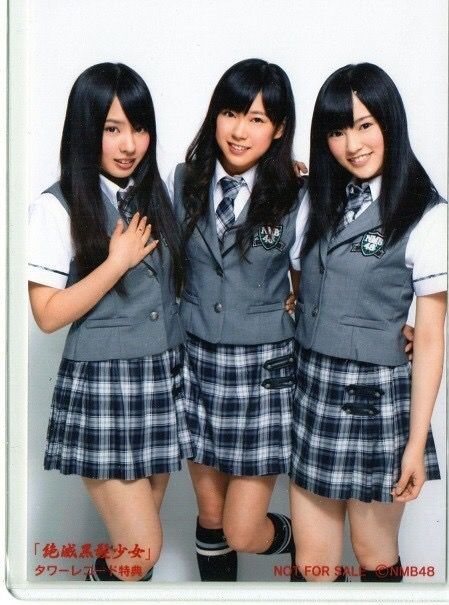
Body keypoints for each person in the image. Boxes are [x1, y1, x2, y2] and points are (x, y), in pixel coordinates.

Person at [28, 62, 192, 582]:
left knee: (135, 559)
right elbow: (47, 315)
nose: (129, 145)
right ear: (85, 130)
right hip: (104, 386)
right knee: (142, 550)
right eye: (111, 129)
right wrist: (115, 263)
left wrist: (290, 173)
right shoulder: (55, 207)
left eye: (139, 128)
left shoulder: (156, 194)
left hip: (162, 377)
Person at [289, 62, 446, 583]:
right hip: (311, 386)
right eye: (337, 131)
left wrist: (415, 444)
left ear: (390, 123)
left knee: (374, 554)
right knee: (313, 565)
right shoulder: (315, 198)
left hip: (375, 399)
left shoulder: (427, 214)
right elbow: (297, 275)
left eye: (364, 125)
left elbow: (430, 338)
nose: (352, 145)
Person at [166, 58, 309, 581]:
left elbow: (315, 280)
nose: (240, 131)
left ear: (279, 129)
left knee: (242, 528)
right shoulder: (183, 180)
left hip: (265, 373)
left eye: (257, 118)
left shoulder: (299, 194)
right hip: (197, 363)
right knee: (211, 517)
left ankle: (305, 545)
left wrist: (400, 321)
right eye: (231, 113)